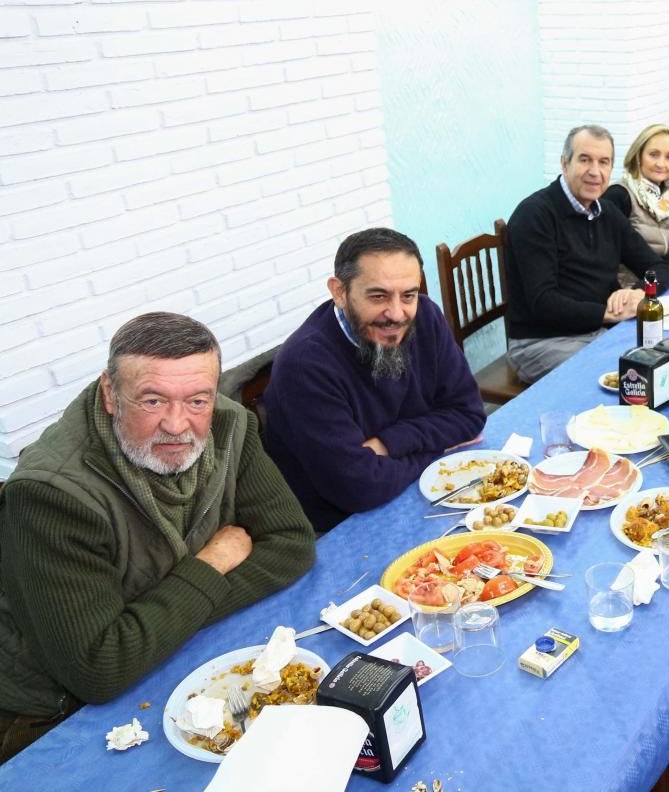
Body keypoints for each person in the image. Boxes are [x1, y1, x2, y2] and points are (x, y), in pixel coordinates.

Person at [0, 313, 316, 762]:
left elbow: (291, 543)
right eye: (152, 401)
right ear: (111, 394)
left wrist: (155, 621)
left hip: (173, 657)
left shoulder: (228, 423)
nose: (177, 424)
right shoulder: (51, 495)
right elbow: (98, 668)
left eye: (197, 400)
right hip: (53, 716)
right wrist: (210, 564)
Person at [264, 228, 486, 532]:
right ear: (340, 292)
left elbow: (469, 415)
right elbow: (358, 486)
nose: (396, 314)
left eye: (408, 295)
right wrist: (440, 449)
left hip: (415, 490)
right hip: (340, 527)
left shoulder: (427, 317)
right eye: (378, 296)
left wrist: (387, 443)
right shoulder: (305, 365)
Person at [505, 124, 669, 383]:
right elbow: (543, 302)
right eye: (585, 160)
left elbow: (658, 267)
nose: (595, 172)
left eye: (604, 162)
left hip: (600, 330)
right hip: (542, 342)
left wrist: (639, 293)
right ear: (565, 163)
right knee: (633, 375)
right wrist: (607, 314)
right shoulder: (534, 216)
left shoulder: (607, 212)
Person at [601, 124, 669, 258]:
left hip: (663, 272)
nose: (661, 164)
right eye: (653, 155)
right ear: (638, 156)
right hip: (631, 277)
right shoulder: (619, 195)